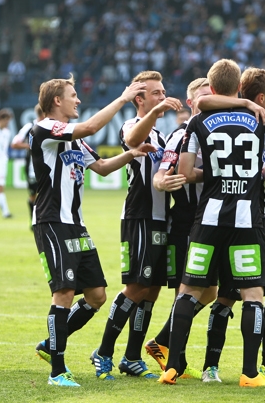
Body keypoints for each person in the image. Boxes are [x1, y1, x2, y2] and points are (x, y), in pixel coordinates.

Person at [158, 59, 265, 388]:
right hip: (247, 219)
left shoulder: (199, 121)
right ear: (239, 89)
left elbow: (186, 173)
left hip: (209, 219)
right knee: (253, 293)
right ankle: (250, 373)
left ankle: (172, 367)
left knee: (189, 290)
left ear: (212, 88)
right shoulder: (262, 121)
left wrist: (215, 174)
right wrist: (252, 177)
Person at [29, 76, 153, 387]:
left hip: (76, 224)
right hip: (51, 222)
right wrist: (123, 98)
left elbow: (101, 167)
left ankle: (49, 344)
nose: (78, 101)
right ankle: (57, 370)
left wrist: (132, 154)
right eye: (73, 96)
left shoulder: (75, 141)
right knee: (64, 293)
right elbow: (90, 127)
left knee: (97, 296)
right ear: (57, 101)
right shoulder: (45, 128)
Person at [194, 67, 265, 382]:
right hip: (246, 223)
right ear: (260, 98)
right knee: (229, 294)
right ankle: (215, 366)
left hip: (241, 220)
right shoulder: (259, 121)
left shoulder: (229, 115)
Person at [91, 70, 184, 381]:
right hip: (139, 217)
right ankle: (103, 352)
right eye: (156, 93)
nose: (162, 96)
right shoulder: (132, 125)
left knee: (152, 290)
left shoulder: (160, 136)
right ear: (139, 99)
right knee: (135, 287)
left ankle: (131, 357)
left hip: (161, 219)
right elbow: (131, 141)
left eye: (162, 91)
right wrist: (157, 111)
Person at [10, 104, 44, 228]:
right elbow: (14, 143)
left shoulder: (50, 127)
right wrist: (30, 146)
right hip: (32, 169)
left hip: (47, 168)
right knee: (33, 195)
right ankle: (33, 221)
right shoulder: (30, 126)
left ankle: (42, 221)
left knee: (46, 195)